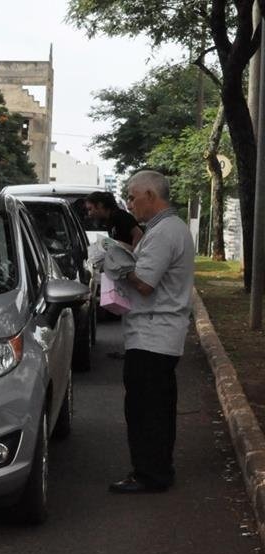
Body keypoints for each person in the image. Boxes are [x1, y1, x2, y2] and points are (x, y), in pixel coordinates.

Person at [108, 170, 195, 494]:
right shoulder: (165, 229)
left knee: (146, 409)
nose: (129, 203)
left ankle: (150, 474)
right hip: (156, 334)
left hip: (153, 335)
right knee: (155, 407)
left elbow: (144, 284)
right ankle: (156, 469)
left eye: (132, 196)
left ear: (150, 195)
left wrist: (120, 267)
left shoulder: (163, 233)